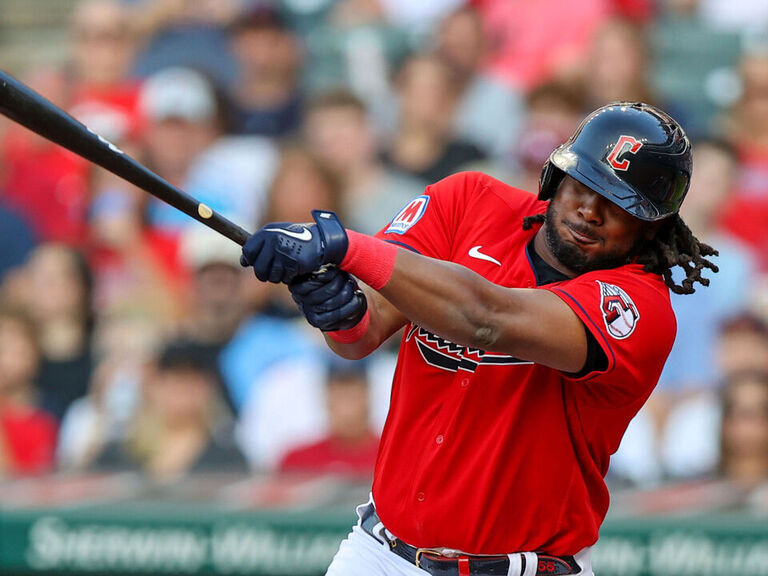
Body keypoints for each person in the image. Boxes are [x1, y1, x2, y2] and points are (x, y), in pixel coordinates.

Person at [239, 102, 717, 575]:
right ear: (556, 176)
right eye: (584, 185)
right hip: (379, 552)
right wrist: (332, 305)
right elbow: (360, 334)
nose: (590, 210)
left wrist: (344, 245)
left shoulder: (638, 308)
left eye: (617, 203)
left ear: (652, 224)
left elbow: (486, 317)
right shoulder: (468, 201)